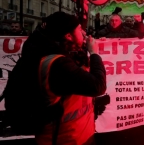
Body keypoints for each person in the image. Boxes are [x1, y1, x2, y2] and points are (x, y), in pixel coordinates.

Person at [5, 12, 106, 144]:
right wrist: (94, 53)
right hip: (64, 139)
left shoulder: (49, 50)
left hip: (75, 134)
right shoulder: (58, 65)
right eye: (79, 29)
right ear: (68, 36)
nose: (83, 32)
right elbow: (97, 86)